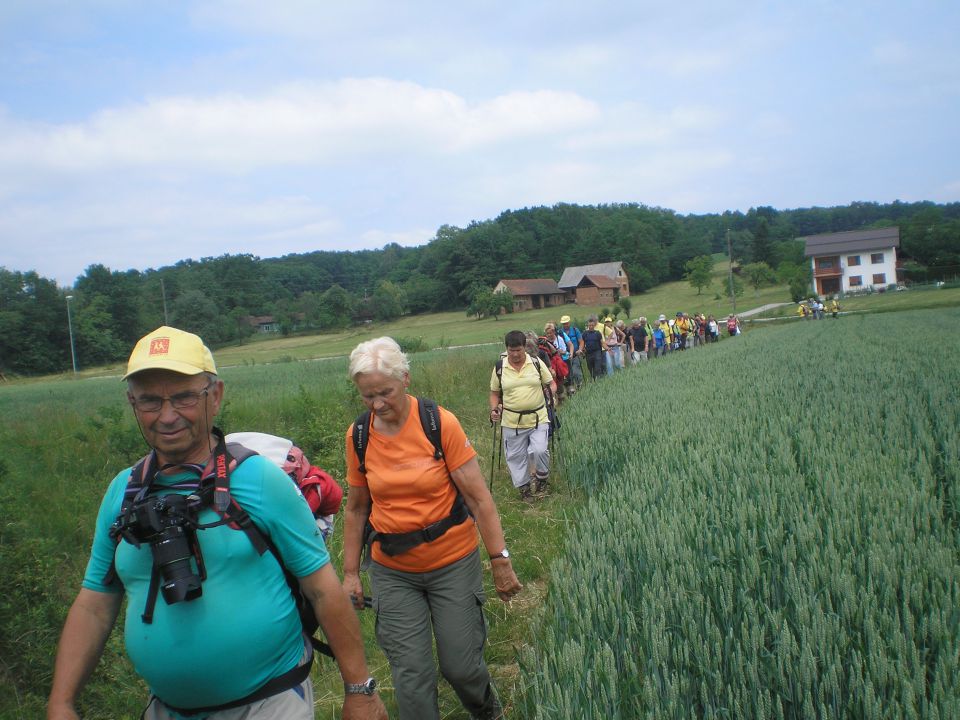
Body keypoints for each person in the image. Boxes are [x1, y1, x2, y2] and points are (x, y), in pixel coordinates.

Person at [48, 326, 386, 720]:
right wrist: (61, 701)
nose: (167, 415)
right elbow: (94, 605)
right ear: (132, 403)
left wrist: (360, 691)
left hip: (268, 703)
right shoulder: (122, 493)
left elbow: (323, 590)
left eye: (184, 397)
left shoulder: (258, 480)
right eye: (150, 401)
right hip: (167, 709)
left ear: (216, 395)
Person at [342, 337, 521, 720]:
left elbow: (478, 498)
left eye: (385, 393)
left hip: (453, 561)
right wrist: (351, 573)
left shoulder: (439, 424)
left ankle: (486, 711)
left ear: (405, 379)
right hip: (393, 570)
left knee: (461, 666)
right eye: (367, 396)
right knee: (412, 677)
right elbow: (356, 509)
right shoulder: (358, 436)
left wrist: (499, 559)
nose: (377, 404)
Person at [489, 330, 556, 501]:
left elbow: (551, 383)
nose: (515, 354)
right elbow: (494, 393)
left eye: (518, 350)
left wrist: (549, 395)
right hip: (512, 421)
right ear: (506, 348)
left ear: (524, 347)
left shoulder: (535, 363)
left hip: (537, 417)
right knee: (515, 456)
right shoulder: (499, 367)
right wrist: (494, 409)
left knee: (540, 450)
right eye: (511, 350)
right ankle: (524, 488)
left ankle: (542, 480)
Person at [558, 314, 584, 392]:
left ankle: (580, 386)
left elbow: (581, 341)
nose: (565, 325)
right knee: (568, 374)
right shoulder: (560, 332)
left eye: (566, 323)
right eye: (564, 323)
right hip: (565, 357)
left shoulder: (575, 330)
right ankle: (572, 390)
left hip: (575, 355)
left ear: (569, 323)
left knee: (576, 372)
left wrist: (580, 349)